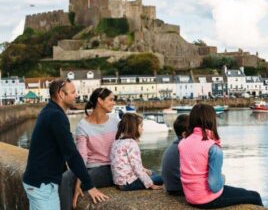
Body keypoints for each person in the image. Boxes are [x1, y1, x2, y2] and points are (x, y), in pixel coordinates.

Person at [22, 79, 109, 209]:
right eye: (73, 92)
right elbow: (72, 154)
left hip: (37, 182)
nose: (77, 95)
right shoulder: (56, 116)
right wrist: (90, 186)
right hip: (43, 185)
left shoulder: (49, 111)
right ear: (61, 94)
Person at [179, 104, 263, 209]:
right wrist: (222, 179)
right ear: (212, 120)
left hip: (190, 197)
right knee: (255, 196)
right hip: (207, 199)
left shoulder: (183, 142)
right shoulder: (213, 148)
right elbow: (214, 186)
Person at [59, 87, 119, 209]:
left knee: (79, 180)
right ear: (100, 101)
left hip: (108, 168)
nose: (114, 102)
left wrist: (81, 184)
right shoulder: (83, 126)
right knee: (65, 178)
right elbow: (82, 156)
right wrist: (79, 184)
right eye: (111, 99)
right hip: (87, 168)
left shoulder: (116, 122)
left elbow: (126, 147)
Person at [110, 113, 163, 191]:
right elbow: (137, 168)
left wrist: (146, 171)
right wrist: (151, 185)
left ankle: (150, 174)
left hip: (119, 182)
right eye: (141, 126)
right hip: (128, 183)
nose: (143, 129)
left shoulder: (117, 142)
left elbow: (131, 165)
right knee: (161, 178)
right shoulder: (132, 144)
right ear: (134, 128)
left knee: (152, 172)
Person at [161, 114, 191, 196]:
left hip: (170, 187)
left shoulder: (174, 144)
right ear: (184, 134)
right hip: (179, 188)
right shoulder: (186, 148)